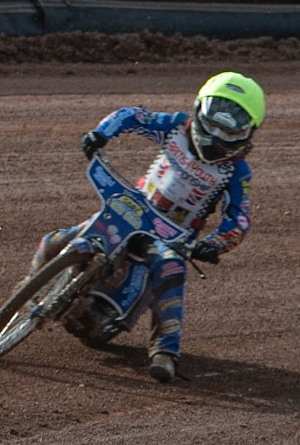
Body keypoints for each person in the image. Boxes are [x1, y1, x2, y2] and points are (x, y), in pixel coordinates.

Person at [31, 71, 263, 383]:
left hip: (171, 235)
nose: (218, 134)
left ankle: (165, 352)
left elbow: (239, 220)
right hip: (131, 207)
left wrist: (213, 244)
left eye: (230, 128)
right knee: (57, 239)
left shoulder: (237, 172)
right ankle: (30, 288)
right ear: (199, 109)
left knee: (170, 271)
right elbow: (132, 116)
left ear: (248, 134)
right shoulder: (176, 127)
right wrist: (101, 134)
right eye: (214, 121)